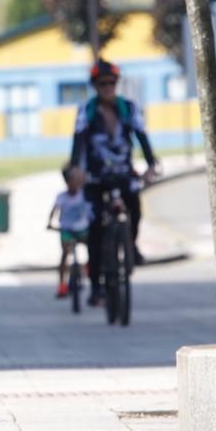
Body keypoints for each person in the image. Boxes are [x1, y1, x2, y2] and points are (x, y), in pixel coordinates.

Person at [70, 58, 158, 306]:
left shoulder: (129, 108)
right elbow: (77, 142)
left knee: (136, 207)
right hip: (95, 176)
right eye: (102, 84)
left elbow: (142, 136)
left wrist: (151, 165)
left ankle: (131, 244)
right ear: (95, 86)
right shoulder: (86, 112)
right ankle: (96, 287)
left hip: (123, 173)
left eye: (111, 83)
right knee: (95, 227)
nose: (107, 87)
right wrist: (76, 169)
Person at [47, 164, 92, 299]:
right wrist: (49, 223)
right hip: (67, 229)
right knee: (65, 254)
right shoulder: (61, 197)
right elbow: (54, 210)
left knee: (93, 246)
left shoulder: (83, 194)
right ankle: (62, 285)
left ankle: (90, 268)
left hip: (82, 228)